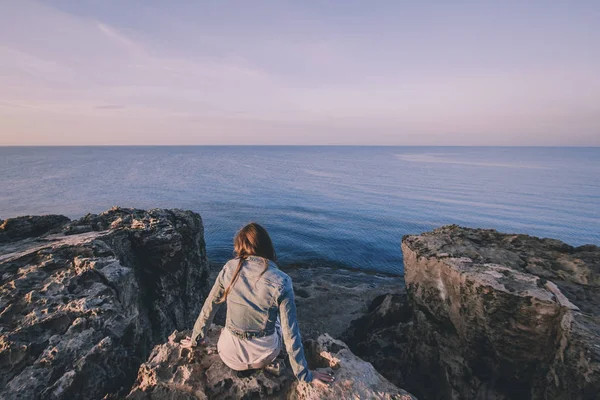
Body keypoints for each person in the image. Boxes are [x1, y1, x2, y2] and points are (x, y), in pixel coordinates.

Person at [181, 222, 334, 386]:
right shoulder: (282, 280)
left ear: (240, 246)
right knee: (279, 322)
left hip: (228, 355)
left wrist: (196, 339)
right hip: (264, 356)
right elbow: (291, 334)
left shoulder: (228, 268)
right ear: (266, 246)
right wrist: (305, 375)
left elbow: (209, 307)